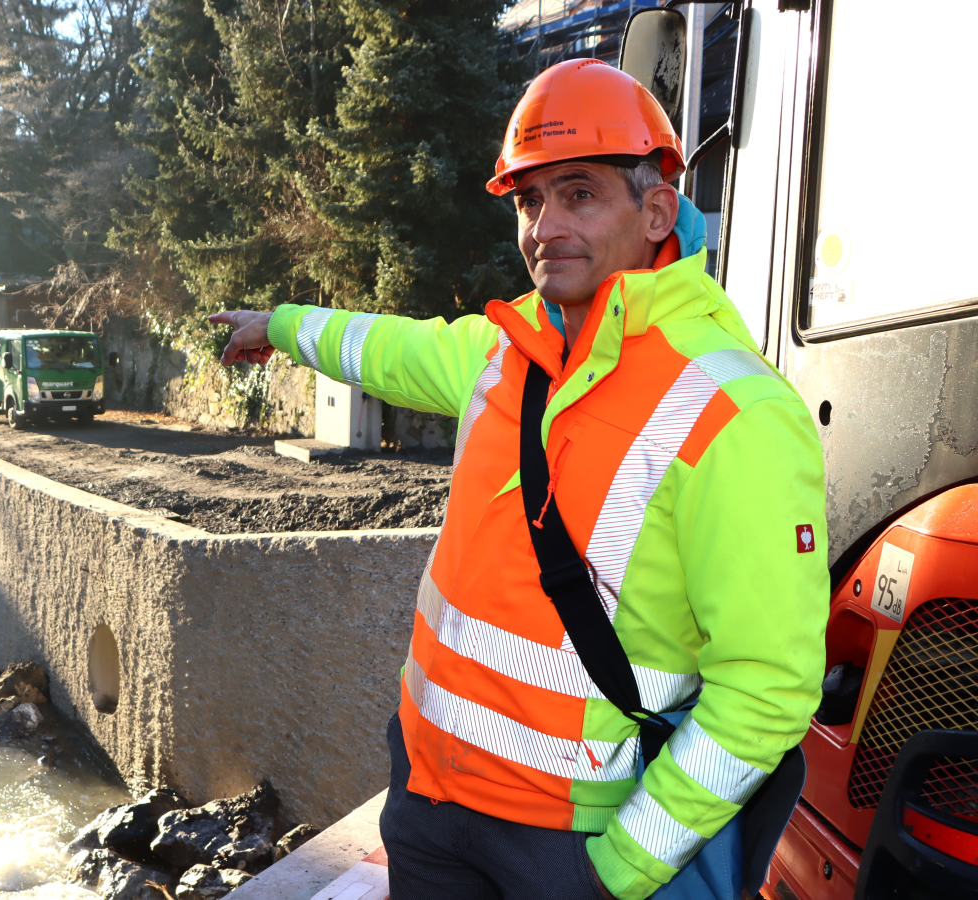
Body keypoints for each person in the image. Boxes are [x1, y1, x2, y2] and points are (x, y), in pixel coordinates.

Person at [209, 59, 827, 900]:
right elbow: (386, 346)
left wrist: (616, 872)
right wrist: (276, 325)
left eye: (579, 194)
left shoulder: (737, 410)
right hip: (430, 801)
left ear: (654, 210)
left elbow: (767, 692)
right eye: (530, 201)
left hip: (572, 842)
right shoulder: (509, 350)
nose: (545, 226)